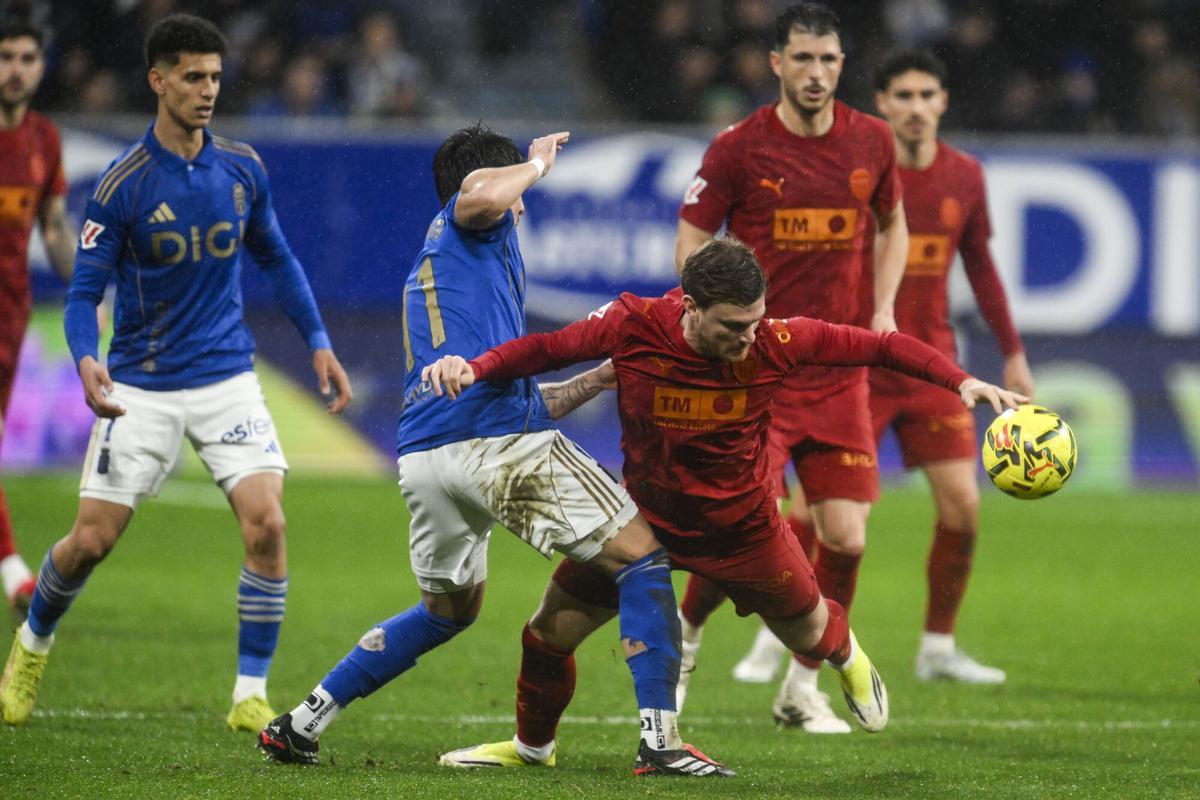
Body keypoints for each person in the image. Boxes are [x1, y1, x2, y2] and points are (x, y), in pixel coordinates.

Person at [426, 237, 1025, 769]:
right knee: (546, 632)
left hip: (744, 531)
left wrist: (960, 381)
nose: (749, 337)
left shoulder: (777, 341)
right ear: (689, 307)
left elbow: (881, 347)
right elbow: (545, 349)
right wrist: (474, 368)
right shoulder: (633, 324)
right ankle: (531, 750)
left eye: (755, 321)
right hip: (641, 526)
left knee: (812, 634)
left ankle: (847, 655)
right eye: (734, 326)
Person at [255, 124, 732, 778]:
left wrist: (593, 379)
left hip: (430, 458)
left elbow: (512, 393)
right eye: (516, 190)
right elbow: (478, 196)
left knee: (447, 610)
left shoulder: (453, 270)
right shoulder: (468, 217)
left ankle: (301, 723)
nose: (524, 204)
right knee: (643, 557)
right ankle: (660, 742)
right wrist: (534, 164)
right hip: (494, 448)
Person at [0, 14, 353, 732]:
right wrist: (86, 358)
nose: (208, 90)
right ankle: (32, 645)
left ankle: (248, 693)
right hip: (142, 386)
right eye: (194, 76)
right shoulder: (123, 185)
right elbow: (80, 294)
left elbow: (278, 258)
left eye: (217, 77)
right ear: (158, 80)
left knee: (268, 525)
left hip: (227, 380)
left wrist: (316, 338)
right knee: (89, 542)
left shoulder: (243, 169)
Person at [671, 2, 909, 732]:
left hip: (837, 375)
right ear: (776, 63)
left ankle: (799, 689)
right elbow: (690, 237)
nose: (815, 73)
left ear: (843, 65)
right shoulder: (739, 148)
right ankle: (684, 643)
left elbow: (893, 223)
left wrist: (885, 309)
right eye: (802, 59)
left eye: (828, 60)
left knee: (847, 537)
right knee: (737, 536)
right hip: (758, 376)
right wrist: (709, 319)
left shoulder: (872, 140)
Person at [870, 49, 1032, 681]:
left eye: (926, 95)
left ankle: (937, 648)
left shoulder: (964, 174)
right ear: (882, 103)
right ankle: (785, 643)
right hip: (862, 362)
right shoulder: (863, 171)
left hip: (935, 364)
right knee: (822, 519)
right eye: (902, 95)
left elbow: (981, 266)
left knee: (964, 507)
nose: (916, 107)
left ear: (943, 101)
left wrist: (1013, 351)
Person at [0, 22, 76, 618]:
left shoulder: (44, 139)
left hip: (12, 308)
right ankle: (13, 570)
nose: (16, 69)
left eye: (27, 58)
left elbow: (52, 224)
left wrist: (86, 287)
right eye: (5, 57)